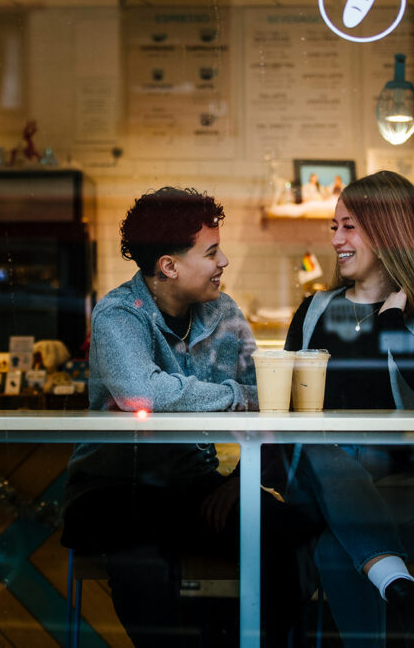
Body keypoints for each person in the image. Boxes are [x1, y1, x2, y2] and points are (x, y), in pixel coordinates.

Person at [62, 187, 315, 648]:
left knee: (290, 533)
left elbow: (268, 402)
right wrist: (235, 396)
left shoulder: (225, 313)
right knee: (143, 560)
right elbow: (143, 391)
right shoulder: (118, 315)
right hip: (114, 490)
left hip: (189, 487)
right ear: (169, 266)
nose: (224, 262)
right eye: (212, 252)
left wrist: (237, 482)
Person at [283, 170, 414, 648]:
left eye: (349, 226)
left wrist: (392, 322)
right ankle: (409, 602)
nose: (336, 238)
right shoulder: (314, 311)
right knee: (318, 447)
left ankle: (402, 597)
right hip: (322, 491)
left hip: (411, 496)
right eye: (334, 226)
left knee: (334, 553)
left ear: (388, 231)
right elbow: (284, 412)